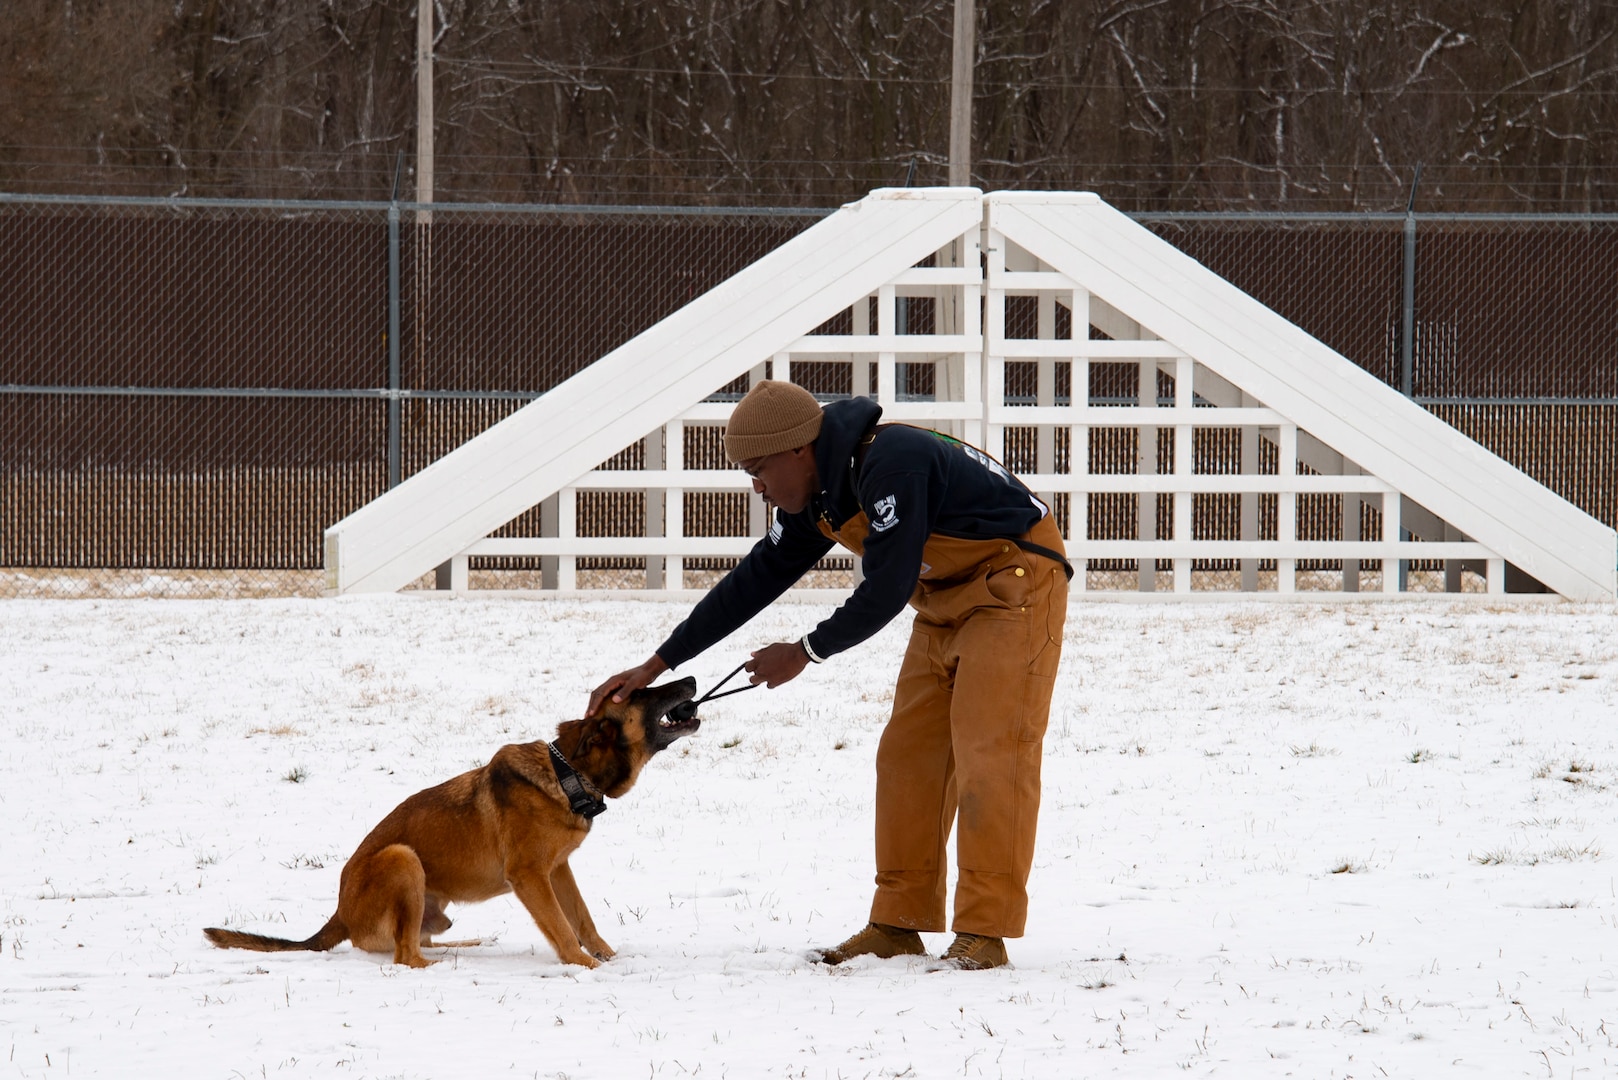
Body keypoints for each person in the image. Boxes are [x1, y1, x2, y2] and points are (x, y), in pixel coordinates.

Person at [588, 379, 1069, 970]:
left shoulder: (892, 463)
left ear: (798, 449)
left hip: (1014, 585)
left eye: (760, 471)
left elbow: (888, 586)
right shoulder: (819, 492)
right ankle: (898, 923)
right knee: (906, 758)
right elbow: (756, 578)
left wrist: (805, 651)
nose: (759, 489)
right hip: (941, 598)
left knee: (990, 752)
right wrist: (658, 664)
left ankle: (984, 933)